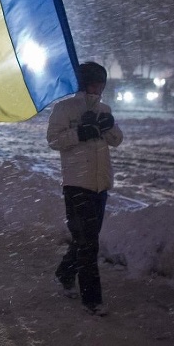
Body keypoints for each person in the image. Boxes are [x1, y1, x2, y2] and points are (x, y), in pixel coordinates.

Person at [47, 61, 124, 317]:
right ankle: (92, 299)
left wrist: (107, 125)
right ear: (83, 83)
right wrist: (81, 132)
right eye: (94, 83)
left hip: (100, 184)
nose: (98, 88)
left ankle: (64, 273)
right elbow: (54, 140)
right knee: (88, 243)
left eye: (102, 84)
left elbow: (117, 141)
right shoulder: (65, 108)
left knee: (85, 239)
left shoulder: (104, 108)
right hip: (77, 184)